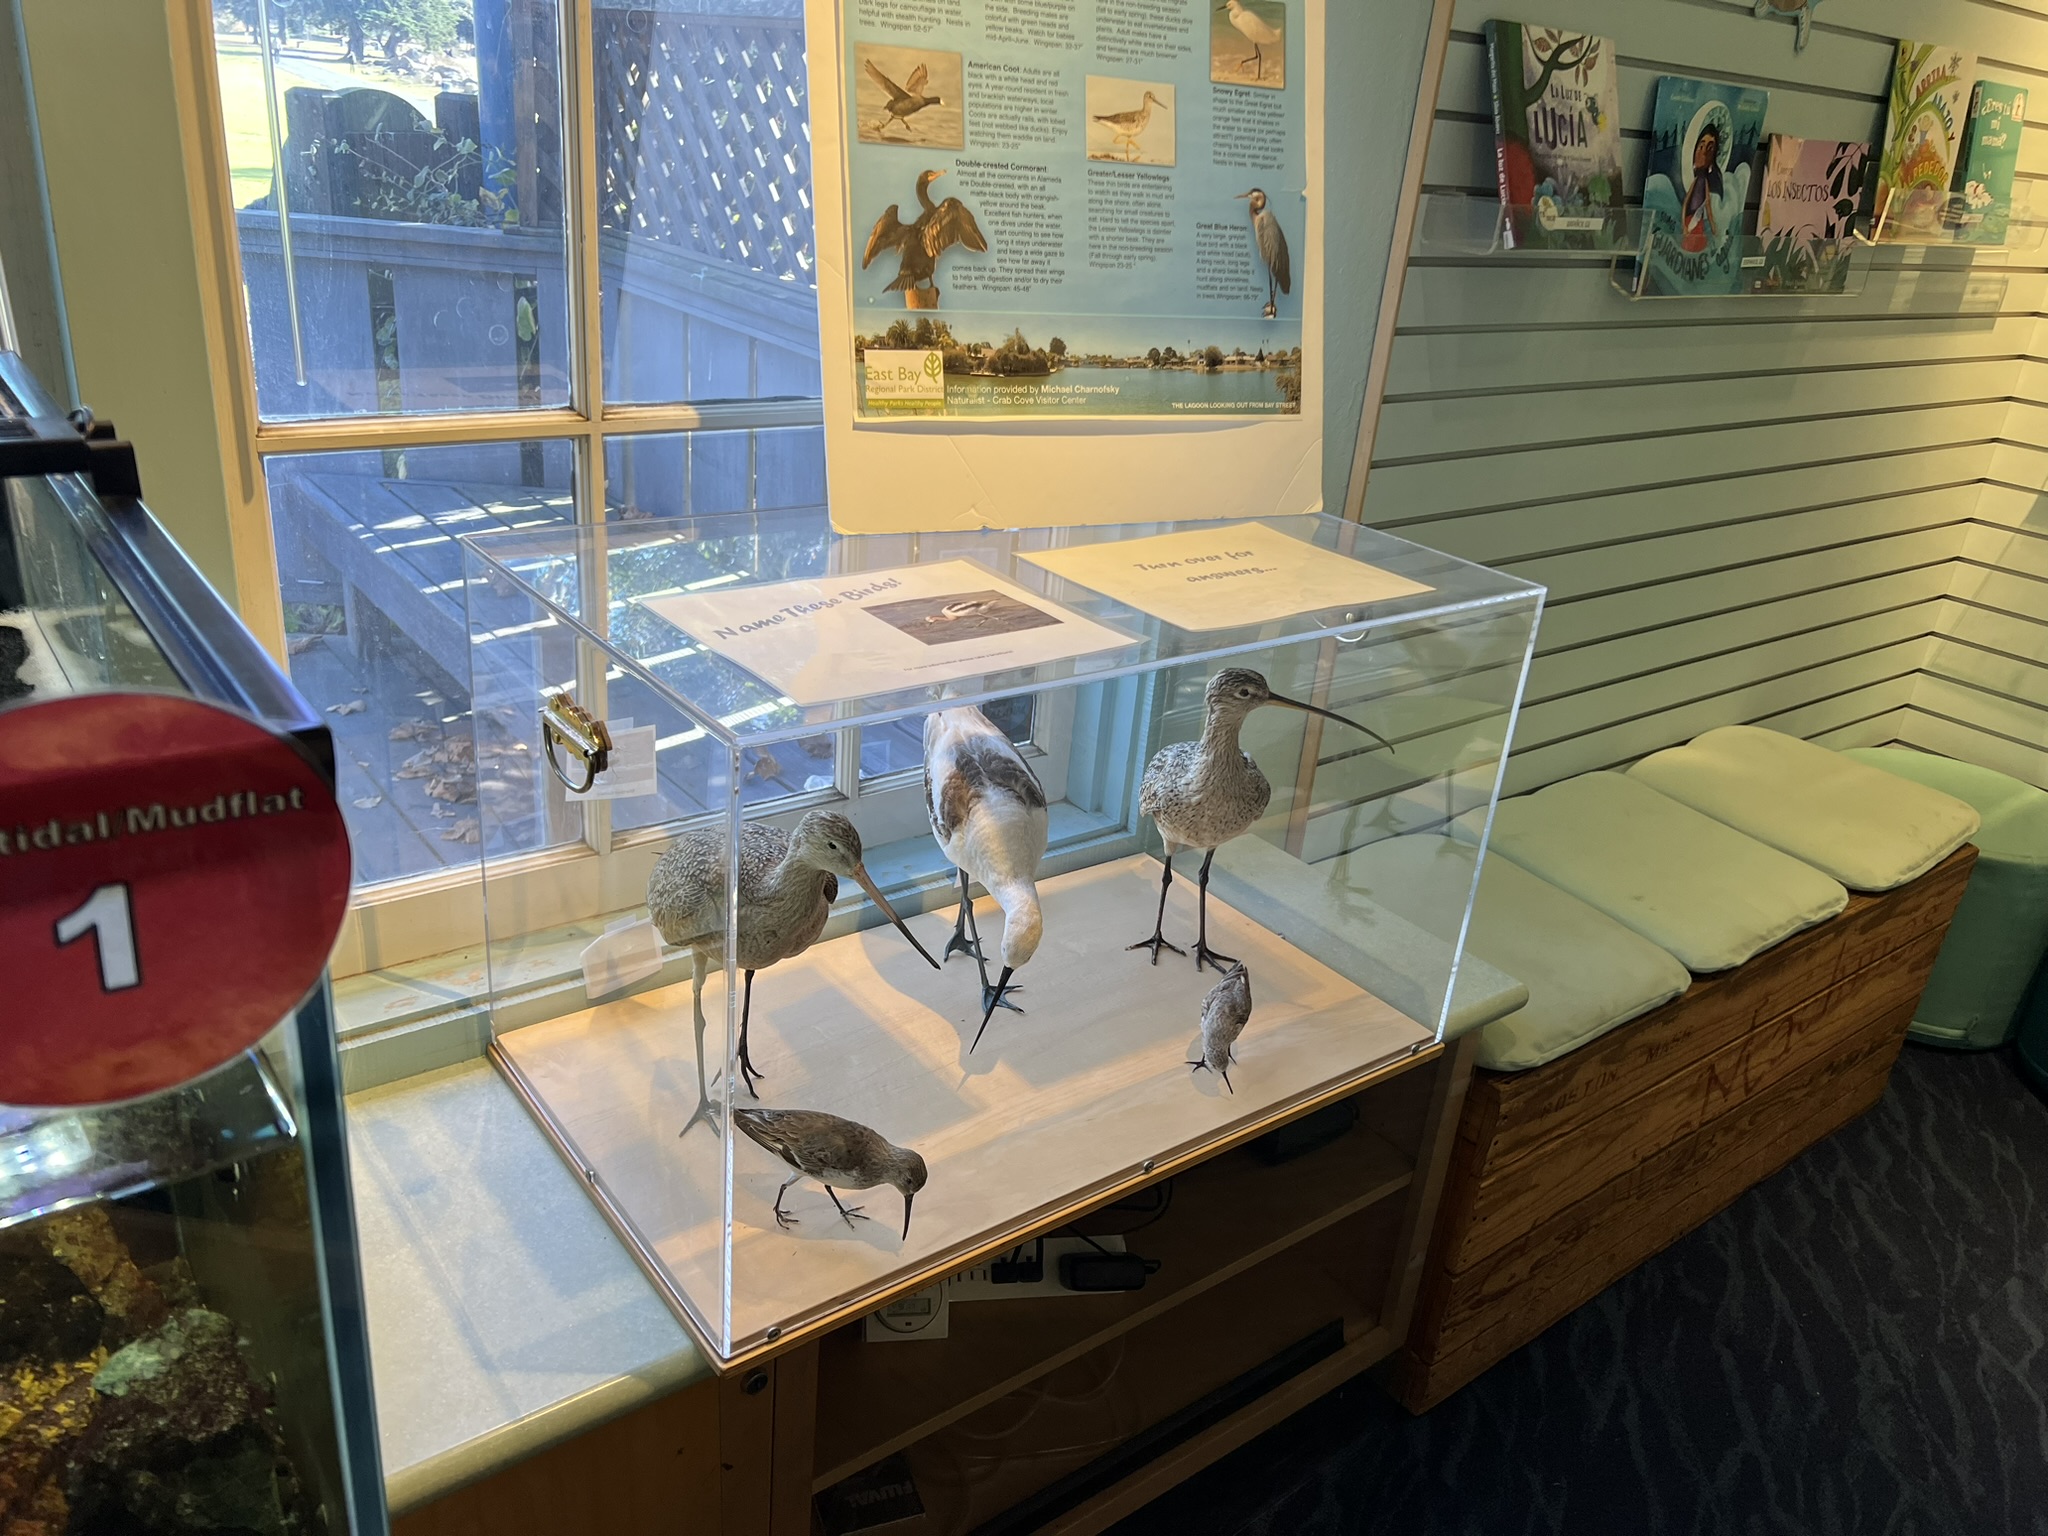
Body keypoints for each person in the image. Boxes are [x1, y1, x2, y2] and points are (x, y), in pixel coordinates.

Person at [1680, 120, 1724, 254]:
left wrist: (1713, 226)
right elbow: (1686, 201)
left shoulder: (1705, 181)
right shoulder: (1697, 181)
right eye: (1701, 146)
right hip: (1691, 220)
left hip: (1698, 223)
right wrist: (1684, 225)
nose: (1704, 153)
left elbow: (1708, 205)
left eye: (1710, 149)